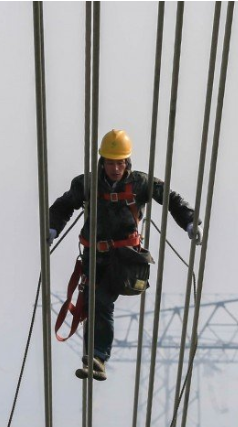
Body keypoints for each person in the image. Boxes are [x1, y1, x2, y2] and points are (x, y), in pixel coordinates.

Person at [48, 129, 202, 381]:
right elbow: (63, 206)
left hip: (126, 258)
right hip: (94, 256)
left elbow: (172, 199)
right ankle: (94, 357)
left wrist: (190, 223)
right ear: (102, 162)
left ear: (127, 162)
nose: (116, 168)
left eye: (120, 163)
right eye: (111, 162)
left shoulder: (140, 184)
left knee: (101, 302)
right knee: (92, 303)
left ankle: (97, 356)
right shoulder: (87, 184)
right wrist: (52, 228)